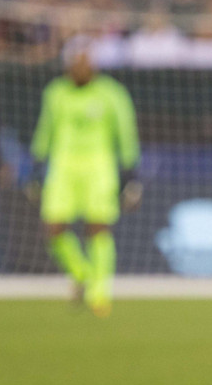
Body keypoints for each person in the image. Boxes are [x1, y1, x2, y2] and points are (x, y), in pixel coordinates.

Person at [31, 36, 141, 316]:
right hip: (62, 167)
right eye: (76, 62)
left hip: (98, 168)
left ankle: (99, 293)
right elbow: (46, 131)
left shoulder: (111, 93)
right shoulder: (55, 92)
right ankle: (81, 273)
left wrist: (131, 175)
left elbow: (126, 135)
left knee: (98, 227)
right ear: (68, 64)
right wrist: (34, 167)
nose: (80, 67)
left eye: (85, 61)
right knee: (53, 227)